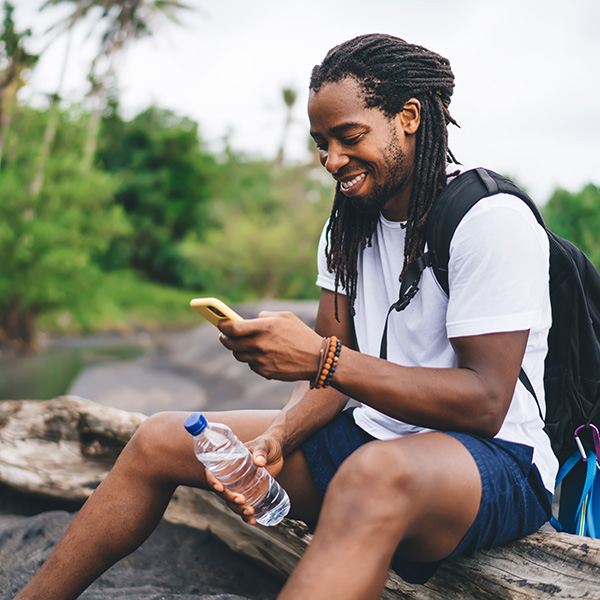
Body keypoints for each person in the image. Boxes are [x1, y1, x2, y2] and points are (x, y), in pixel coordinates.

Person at [15, 33, 558, 600]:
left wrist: (324, 360)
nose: (332, 160)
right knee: (158, 439)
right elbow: (327, 378)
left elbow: (484, 402)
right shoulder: (349, 223)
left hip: (497, 461)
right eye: (321, 143)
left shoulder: (488, 218)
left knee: (369, 477)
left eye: (348, 137)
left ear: (409, 116)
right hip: (375, 436)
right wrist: (279, 435)